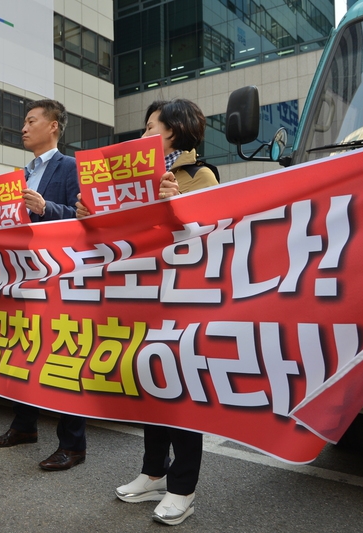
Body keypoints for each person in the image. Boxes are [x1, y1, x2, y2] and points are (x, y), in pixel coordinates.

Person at [108, 98, 218, 526]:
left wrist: (174, 204)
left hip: (185, 301)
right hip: (144, 298)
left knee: (182, 392)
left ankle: (182, 487)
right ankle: (154, 472)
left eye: (150, 127)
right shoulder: (134, 180)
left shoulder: (199, 176)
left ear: (174, 130)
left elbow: (207, 239)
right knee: (151, 386)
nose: (142, 135)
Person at [0, 99, 86, 472]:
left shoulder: (70, 167)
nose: (23, 128)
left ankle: (73, 444)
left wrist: (46, 208)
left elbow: (83, 215)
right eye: (23, 122)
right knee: (24, 352)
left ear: (54, 126)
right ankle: (24, 426)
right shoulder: (23, 173)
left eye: (31, 121)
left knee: (64, 355)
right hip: (25, 275)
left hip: (59, 276)